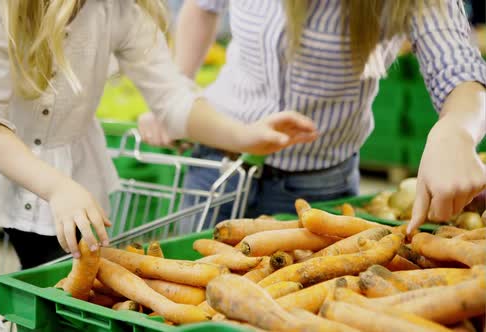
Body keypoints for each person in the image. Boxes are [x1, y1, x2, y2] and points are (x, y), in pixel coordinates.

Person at [0, 0, 318, 300]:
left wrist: (246, 137)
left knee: (61, 295)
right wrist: (59, 189)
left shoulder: (120, 9)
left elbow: (170, 98)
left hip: (65, 165)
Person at [138, 0, 486, 233]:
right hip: (216, 168)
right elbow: (202, 7)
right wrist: (175, 95)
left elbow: (459, 69)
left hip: (317, 191)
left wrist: (456, 132)